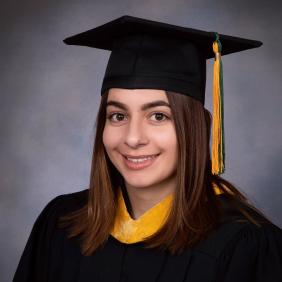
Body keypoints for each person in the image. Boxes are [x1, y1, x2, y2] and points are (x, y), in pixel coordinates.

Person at [13, 15, 282, 282]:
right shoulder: (62, 222)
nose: (132, 138)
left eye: (158, 116)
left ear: (198, 126)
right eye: (118, 116)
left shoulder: (246, 245)